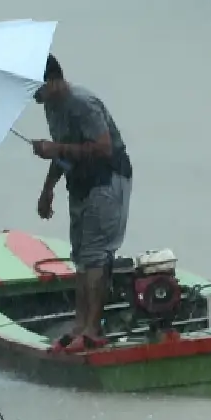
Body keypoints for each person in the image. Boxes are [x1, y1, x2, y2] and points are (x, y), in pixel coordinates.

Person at [30, 54, 133, 354]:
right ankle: (79, 325)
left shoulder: (82, 103)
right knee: (80, 254)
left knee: (96, 254)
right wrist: (48, 188)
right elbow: (64, 152)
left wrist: (55, 148)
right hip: (80, 182)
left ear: (54, 80)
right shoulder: (52, 108)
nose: (34, 95)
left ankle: (92, 329)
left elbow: (103, 147)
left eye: (37, 87)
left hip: (107, 179)